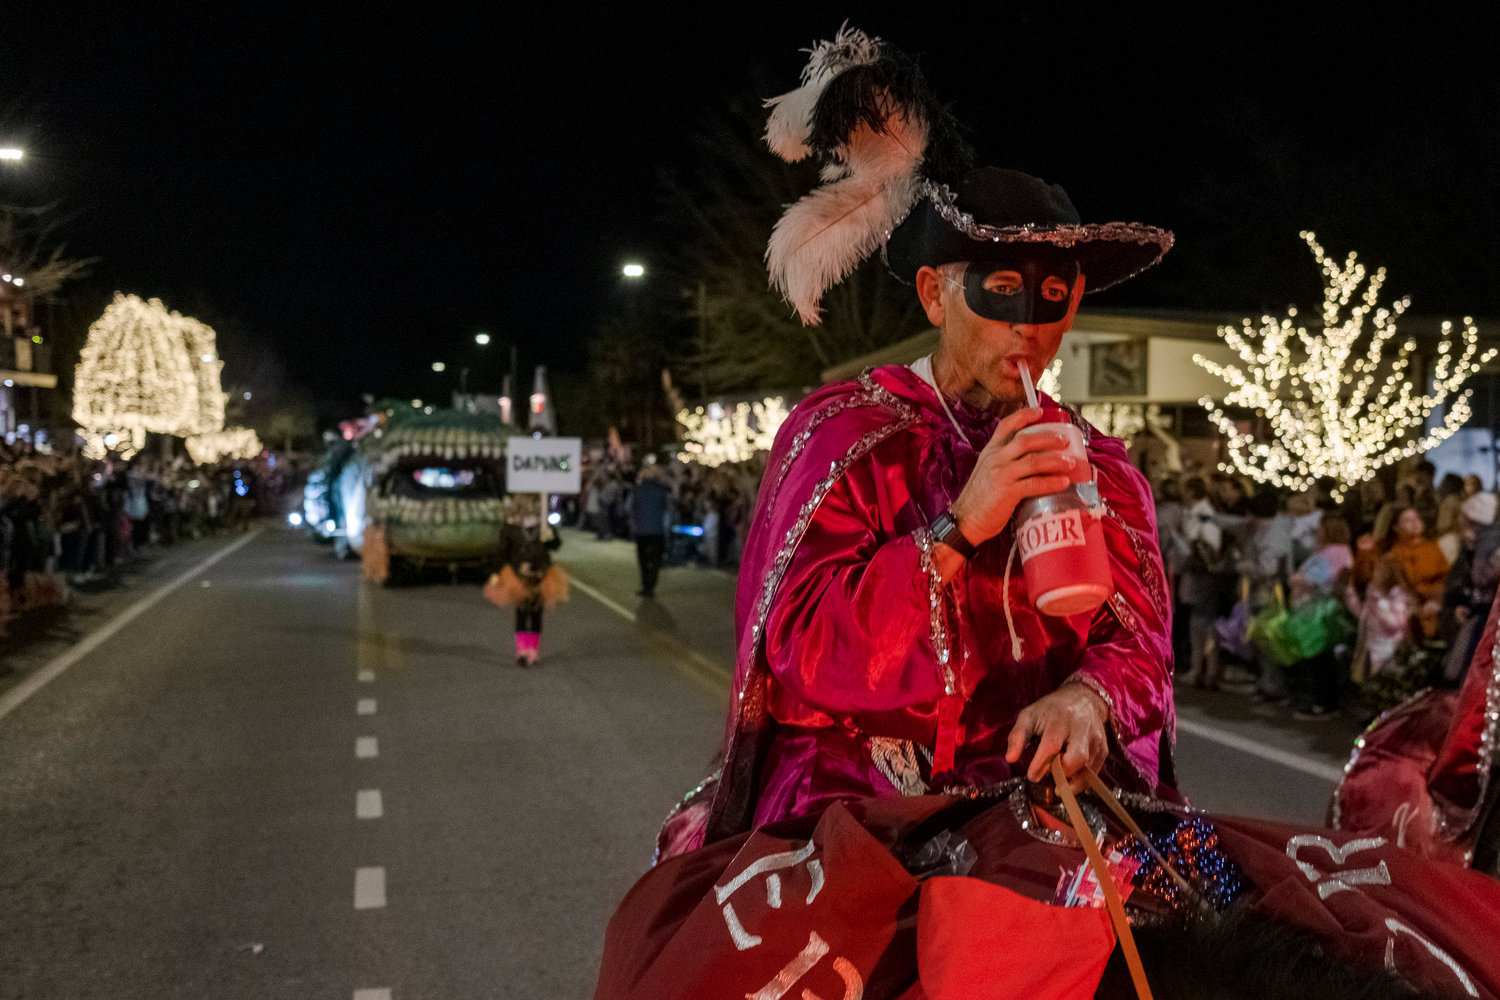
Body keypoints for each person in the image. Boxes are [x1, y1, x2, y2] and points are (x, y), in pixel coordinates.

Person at [700, 102, 1176, 839]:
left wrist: (1089, 698)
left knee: (1222, 900)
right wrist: (958, 530)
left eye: (1053, 297)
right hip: (863, 797)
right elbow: (803, 651)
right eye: (1000, 290)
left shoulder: (1099, 464)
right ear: (934, 295)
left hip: (1050, 792)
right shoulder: (845, 436)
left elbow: (1142, 643)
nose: (1029, 324)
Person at [493, 494, 562, 666]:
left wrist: (551, 535)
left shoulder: (543, 525)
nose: (532, 508)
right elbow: (501, 554)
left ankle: (533, 651)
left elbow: (556, 545)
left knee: (537, 614)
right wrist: (508, 571)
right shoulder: (510, 528)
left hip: (541, 576)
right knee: (522, 613)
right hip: (519, 577)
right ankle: (522, 651)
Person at [627, 464, 670, 598]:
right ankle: (651, 585)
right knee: (655, 560)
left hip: (642, 531)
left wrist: (634, 524)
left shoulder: (637, 490)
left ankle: (646, 585)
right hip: (657, 530)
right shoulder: (662, 491)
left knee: (643, 560)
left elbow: (628, 507)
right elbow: (668, 511)